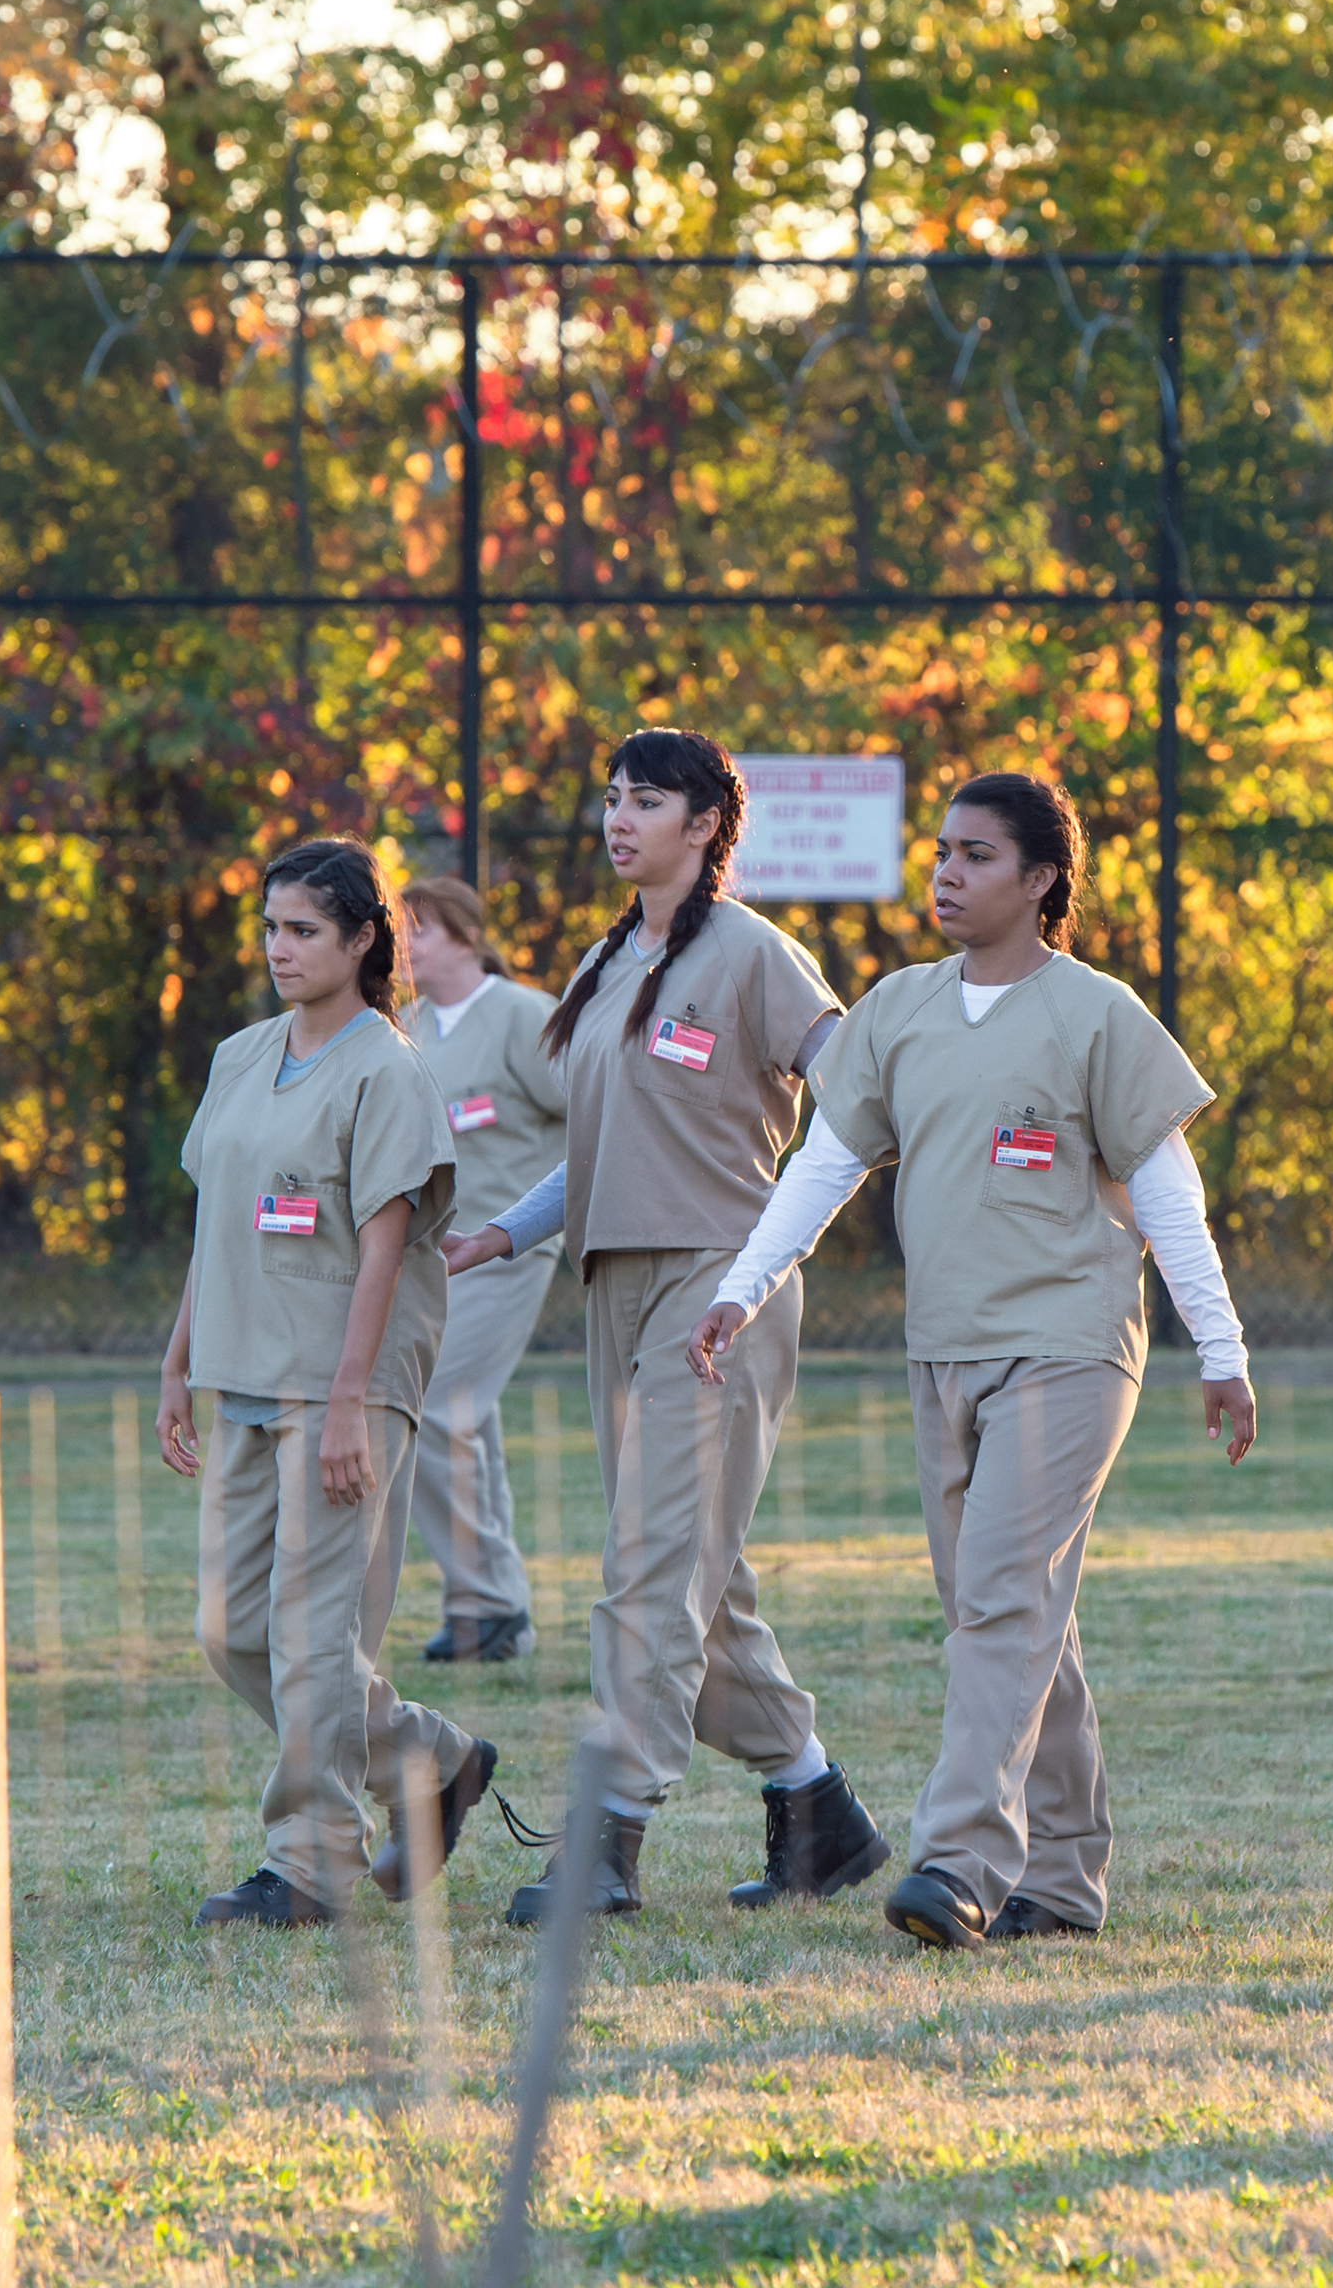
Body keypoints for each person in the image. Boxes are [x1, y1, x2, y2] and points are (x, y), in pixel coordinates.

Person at [688, 772, 1257, 1951]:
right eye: (941, 853)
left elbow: (1166, 1190)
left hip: (1070, 1349)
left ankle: (960, 1861)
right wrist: (743, 1288)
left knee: (1000, 1600)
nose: (946, 874)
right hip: (943, 1351)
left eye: (977, 857)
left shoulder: (1099, 1014)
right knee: (1005, 1611)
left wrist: (1221, 1343)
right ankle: (1066, 1876)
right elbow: (827, 1164)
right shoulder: (895, 1010)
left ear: (1042, 880)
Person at [443, 727, 885, 1926]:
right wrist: (503, 1232)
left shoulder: (753, 953)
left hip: (716, 1289)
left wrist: (785, 1241)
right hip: (612, 1284)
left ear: (706, 826)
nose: (619, 817)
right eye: (612, 797)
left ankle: (610, 1833)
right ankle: (817, 1810)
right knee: (697, 1569)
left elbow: (857, 1090)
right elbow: (597, 1146)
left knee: (650, 1566)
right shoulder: (603, 959)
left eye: (648, 800)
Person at [155, 838, 493, 1928]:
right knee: (231, 1631)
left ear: (360, 941)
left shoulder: (387, 1070)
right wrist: (177, 1361)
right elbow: (214, 1221)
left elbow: (387, 1246)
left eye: (304, 930)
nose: (280, 948)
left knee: (309, 1632)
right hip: (243, 1368)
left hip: (345, 1383)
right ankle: (427, 1756)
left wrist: (350, 1400)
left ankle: (311, 1863)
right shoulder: (242, 1055)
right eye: (269, 928)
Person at [394, 875, 560, 1668]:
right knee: (468, 1422)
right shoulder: (405, 1025)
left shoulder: (524, 1015)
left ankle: (485, 1600)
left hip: (507, 1250)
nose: (402, 946)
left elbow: (598, 1110)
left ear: (461, 932)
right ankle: (494, 1611)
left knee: (432, 1411)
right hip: (431, 1262)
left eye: (415, 930)